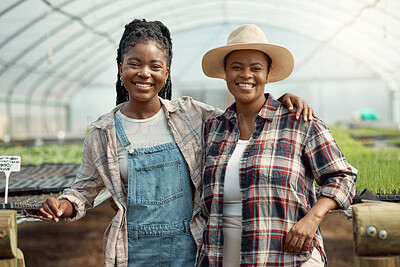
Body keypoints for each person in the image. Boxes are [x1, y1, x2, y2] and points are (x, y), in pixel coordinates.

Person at [38, 19, 314, 267]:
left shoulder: (193, 116)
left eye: (155, 66)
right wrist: (63, 206)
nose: (144, 73)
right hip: (133, 251)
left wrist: (281, 101)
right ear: (121, 67)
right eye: (134, 63)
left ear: (166, 72)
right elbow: (82, 192)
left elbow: (244, 112)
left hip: (191, 248)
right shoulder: (103, 133)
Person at [198, 24, 357, 266]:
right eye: (236, 67)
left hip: (285, 257)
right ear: (226, 73)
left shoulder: (299, 122)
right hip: (220, 256)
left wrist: (312, 220)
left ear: (268, 74)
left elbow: (342, 176)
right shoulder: (213, 128)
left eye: (256, 68)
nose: (246, 75)